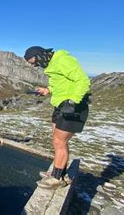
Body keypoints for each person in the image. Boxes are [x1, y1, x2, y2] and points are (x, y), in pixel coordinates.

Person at [24, 46, 90, 189]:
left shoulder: (62, 60)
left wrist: (72, 101)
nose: (35, 65)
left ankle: (57, 179)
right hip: (61, 106)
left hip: (73, 107)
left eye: (33, 61)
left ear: (39, 55)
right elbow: (61, 83)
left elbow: (83, 80)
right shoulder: (52, 65)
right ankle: (59, 171)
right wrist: (47, 90)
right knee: (58, 141)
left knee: (59, 141)